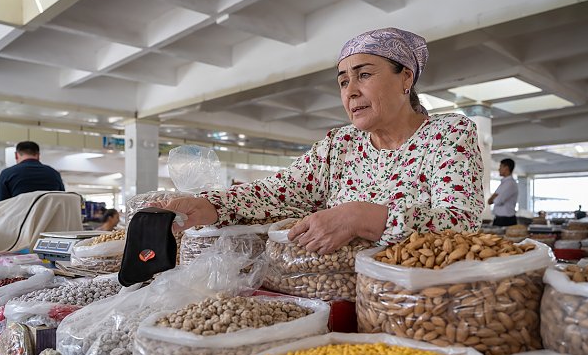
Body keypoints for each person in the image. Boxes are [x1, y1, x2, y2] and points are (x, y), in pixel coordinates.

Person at [154, 27, 485, 254]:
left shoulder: (448, 134)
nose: (351, 90)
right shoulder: (339, 145)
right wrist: (211, 204)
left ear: (406, 78)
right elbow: (276, 193)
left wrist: (362, 216)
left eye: (364, 74)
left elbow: (461, 222)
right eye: (343, 82)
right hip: (337, 296)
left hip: (412, 302)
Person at [0, 141, 65, 202]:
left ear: (16, 155)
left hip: (20, 216)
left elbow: (1, 204)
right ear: (38, 155)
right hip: (50, 216)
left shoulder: (7, 174)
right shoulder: (54, 174)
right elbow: (63, 199)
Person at [488, 158, 518, 226]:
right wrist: (494, 197)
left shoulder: (510, 184)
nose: (499, 169)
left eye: (500, 167)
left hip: (506, 220)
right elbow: (489, 201)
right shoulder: (503, 183)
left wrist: (494, 197)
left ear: (506, 168)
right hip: (499, 219)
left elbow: (498, 201)